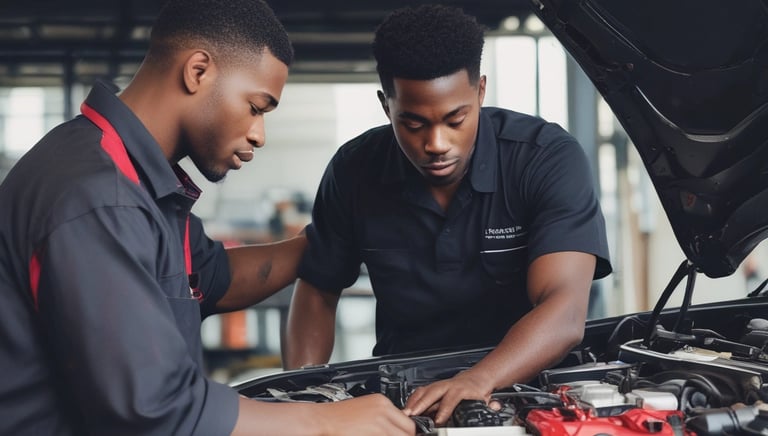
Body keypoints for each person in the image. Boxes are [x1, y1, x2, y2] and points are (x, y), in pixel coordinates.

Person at [0, 0, 414, 435]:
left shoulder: (131, 175)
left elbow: (213, 276)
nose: (259, 133)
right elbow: (156, 408)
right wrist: (325, 421)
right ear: (198, 71)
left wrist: (340, 233)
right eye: (256, 107)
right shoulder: (101, 197)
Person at [283, 4, 612, 425]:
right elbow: (318, 290)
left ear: (480, 93)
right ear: (387, 107)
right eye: (414, 124)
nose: (436, 143)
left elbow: (564, 310)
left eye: (455, 119)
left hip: (528, 387)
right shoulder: (354, 171)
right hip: (405, 396)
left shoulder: (544, 159)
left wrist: (481, 378)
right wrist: (304, 398)